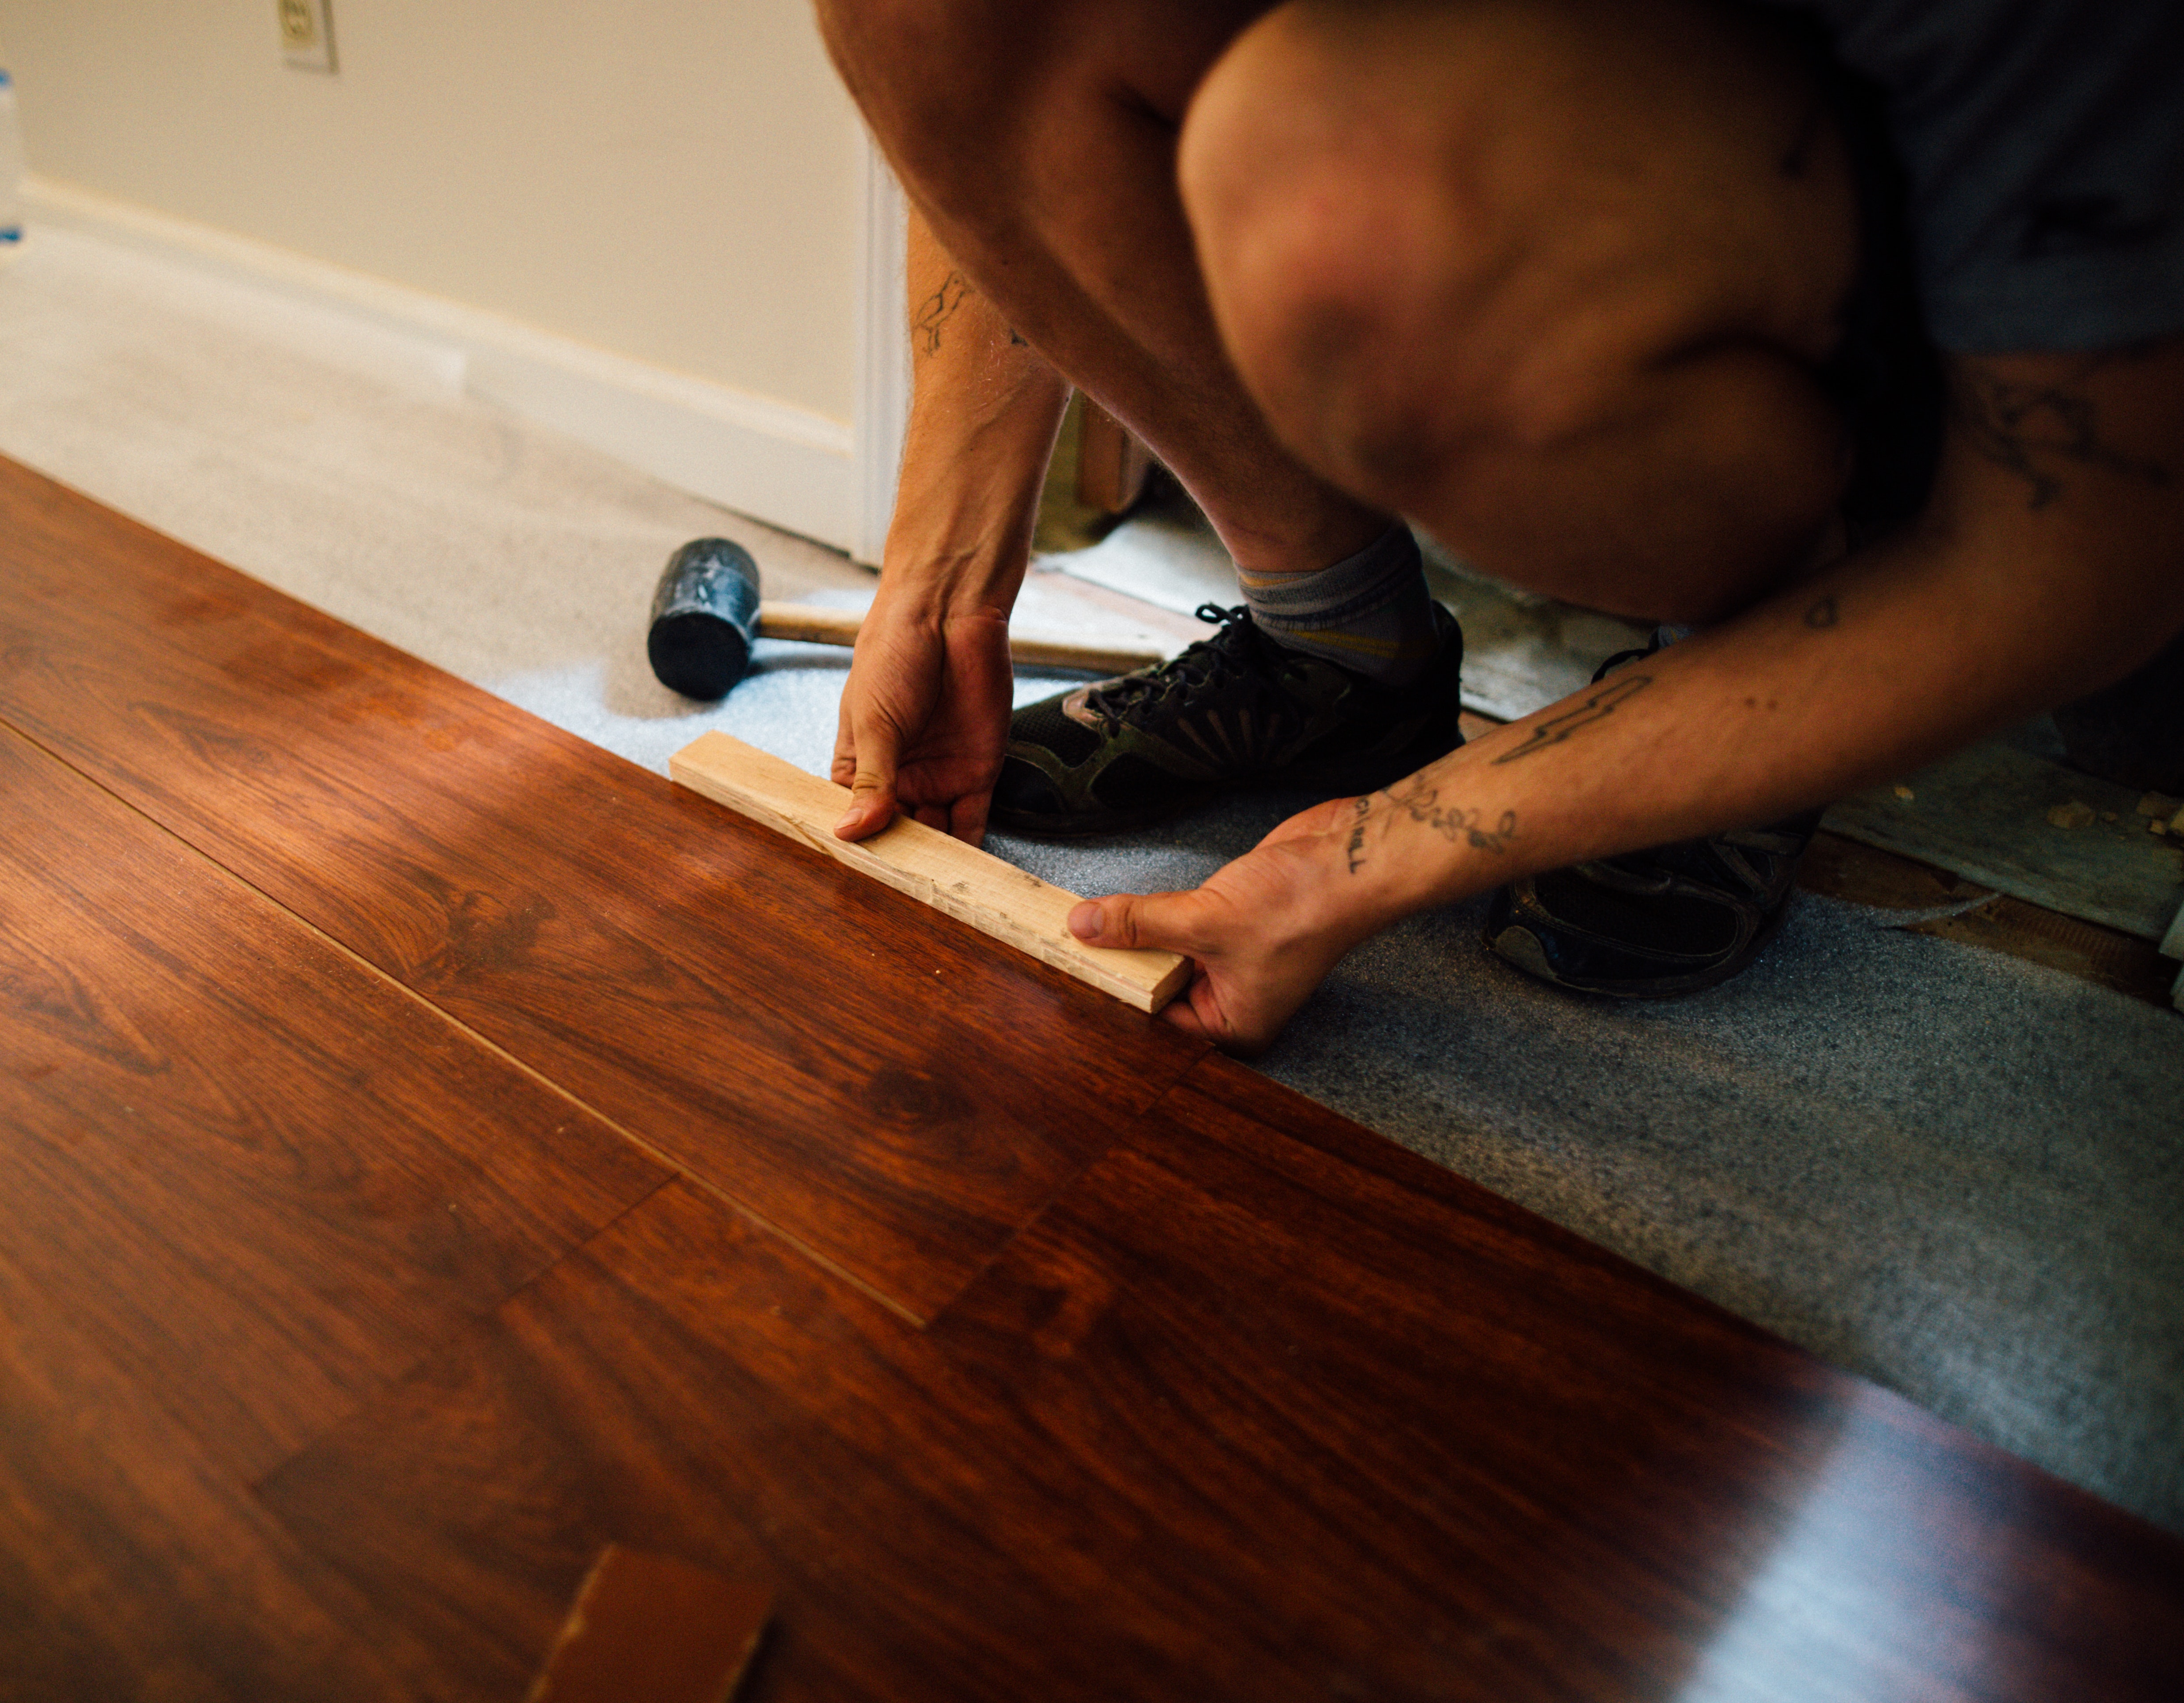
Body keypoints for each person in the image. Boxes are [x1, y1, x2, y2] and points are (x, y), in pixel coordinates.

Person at [810, 0, 2184, 1052]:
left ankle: (1744, 652)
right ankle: (1338, 658)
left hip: (1919, 298)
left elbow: (2074, 567)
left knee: (1338, 204)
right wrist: (939, 587)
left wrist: (1377, 849)